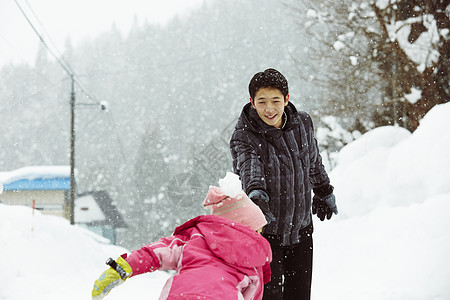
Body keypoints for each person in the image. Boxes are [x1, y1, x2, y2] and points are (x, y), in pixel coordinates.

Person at [230, 68, 338, 300]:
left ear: (287, 99)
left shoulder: (303, 124)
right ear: (251, 101)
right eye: (262, 101)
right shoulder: (244, 135)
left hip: (301, 231)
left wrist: (323, 190)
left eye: (276, 100)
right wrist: (257, 198)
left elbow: (313, 162)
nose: (269, 109)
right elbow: (249, 170)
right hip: (267, 236)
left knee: (299, 296)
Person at [91, 173, 272, 300]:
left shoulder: (193, 238)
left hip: (179, 295)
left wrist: (121, 268)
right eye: (257, 230)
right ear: (246, 226)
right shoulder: (254, 259)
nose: (258, 236)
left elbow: (153, 254)